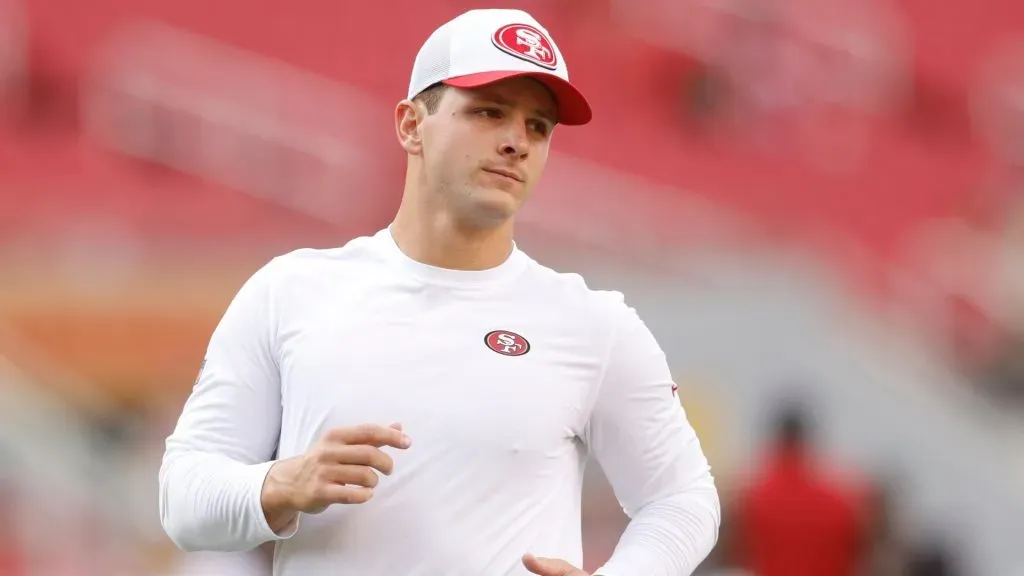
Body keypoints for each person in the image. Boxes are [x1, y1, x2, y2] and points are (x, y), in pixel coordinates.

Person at [158, 8, 720, 576]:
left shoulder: (594, 324)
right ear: (410, 125)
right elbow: (182, 497)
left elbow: (683, 498)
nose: (516, 142)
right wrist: (280, 484)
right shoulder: (290, 292)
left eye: (538, 127)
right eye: (488, 112)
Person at [732, 401, 867, 576]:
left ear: (777, 441)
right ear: (806, 442)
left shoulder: (752, 500)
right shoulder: (841, 503)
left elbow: (739, 556)